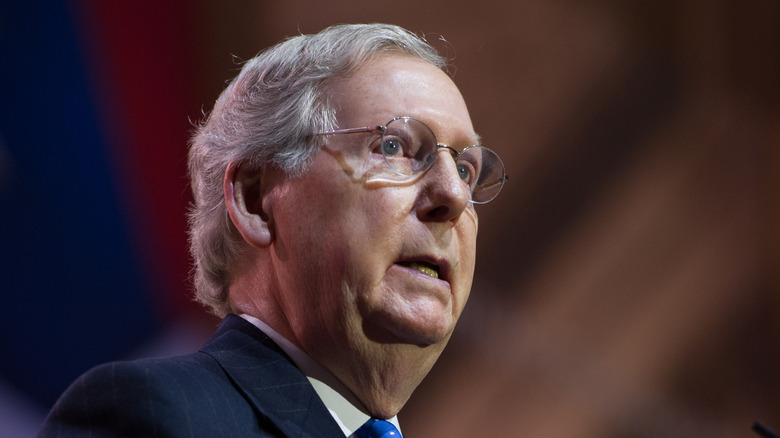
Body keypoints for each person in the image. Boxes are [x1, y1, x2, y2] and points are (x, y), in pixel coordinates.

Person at [39, 23, 507, 437]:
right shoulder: (155, 418)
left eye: (465, 169)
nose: (453, 194)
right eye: (394, 146)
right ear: (254, 199)